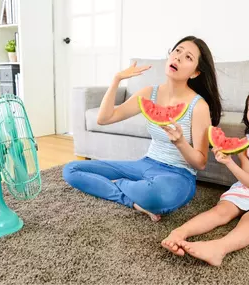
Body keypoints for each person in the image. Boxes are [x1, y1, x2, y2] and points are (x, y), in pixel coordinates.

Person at [63, 36, 222, 222]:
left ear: (195, 73)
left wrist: (180, 142)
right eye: (177, 51)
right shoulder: (149, 93)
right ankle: (132, 198)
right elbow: (105, 118)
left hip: (178, 175)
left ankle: (120, 186)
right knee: (71, 170)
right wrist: (117, 79)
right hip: (144, 164)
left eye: (188, 57)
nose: (178, 58)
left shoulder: (198, 106)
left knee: (157, 197)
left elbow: (200, 163)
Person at [161, 86, 249, 266]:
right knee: (221, 210)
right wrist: (229, 162)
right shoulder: (246, 143)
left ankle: (218, 249)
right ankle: (179, 233)